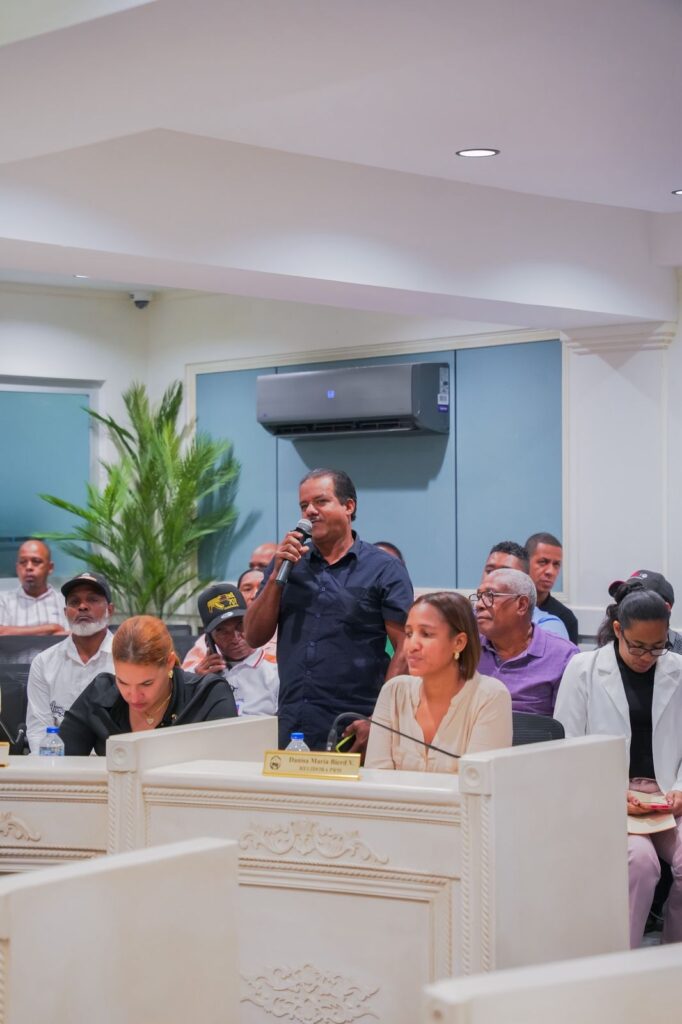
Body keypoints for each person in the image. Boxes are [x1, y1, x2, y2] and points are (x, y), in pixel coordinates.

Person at [244, 468, 413, 751]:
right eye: (303, 505)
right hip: (293, 725)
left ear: (349, 506)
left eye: (320, 501)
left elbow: (406, 649)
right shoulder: (287, 563)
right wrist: (275, 576)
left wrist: (381, 719)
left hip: (354, 726)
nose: (309, 511)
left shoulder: (384, 569)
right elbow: (253, 636)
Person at [555, 584, 682, 948]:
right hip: (607, 797)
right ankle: (620, 961)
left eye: (657, 646)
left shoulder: (678, 670)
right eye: (637, 646)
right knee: (641, 864)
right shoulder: (584, 669)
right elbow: (566, 749)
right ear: (617, 630)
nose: (647, 656)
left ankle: (673, 959)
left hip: (666, 796)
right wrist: (612, 794)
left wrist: (679, 789)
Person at [365, 592, 512, 772]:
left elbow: (478, 782)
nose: (412, 645)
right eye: (409, 634)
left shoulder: (490, 696)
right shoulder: (393, 691)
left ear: (459, 642)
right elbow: (376, 777)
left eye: (426, 634)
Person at [59, 615, 237, 755]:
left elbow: (225, 767)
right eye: (123, 682)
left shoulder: (208, 695)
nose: (134, 697)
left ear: (169, 663)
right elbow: (60, 758)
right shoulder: (100, 694)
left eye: (147, 683)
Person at [26, 572, 115, 752]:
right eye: (74, 602)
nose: (82, 606)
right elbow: (38, 730)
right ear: (66, 613)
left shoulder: (128, 659)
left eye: (92, 599)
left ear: (110, 610)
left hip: (113, 760)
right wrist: (49, 766)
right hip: (58, 761)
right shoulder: (44, 662)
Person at [474, 567, 578, 716]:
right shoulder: (468, 648)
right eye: (479, 596)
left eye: (490, 595)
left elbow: (569, 724)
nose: (479, 605)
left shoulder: (563, 656)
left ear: (522, 605)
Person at [182, 583, 278, 716]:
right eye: (222, 631)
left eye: (240, 625)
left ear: (250, 622)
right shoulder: (197, 674)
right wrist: (196, 683)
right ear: (209, 639)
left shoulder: (274, 671)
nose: (235, 638)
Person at [482, 541, 569, 640]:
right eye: (489, 571)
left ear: (526, 582)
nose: (493, 578)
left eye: (505, 574)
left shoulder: (548, 627)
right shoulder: (471, 617)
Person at [0, 539, 68, 635]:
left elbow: (75, 635)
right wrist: (50, 628)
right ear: (17, 568)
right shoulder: (3, 601)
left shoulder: (65, 602)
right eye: (23, 562)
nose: (29, 567)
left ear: (50, 567)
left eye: (36, 561)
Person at [607, 569, 682, 654]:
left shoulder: (678, 652)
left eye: (637, 604)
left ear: (665, 609)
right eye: (623, 600)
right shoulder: (605, 650)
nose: (625, 608)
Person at [525, 532, 579, 644]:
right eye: (543, 562)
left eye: (556, 564)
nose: (551, 571)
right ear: (525, 563)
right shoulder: (507, 606)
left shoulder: (565, 618)